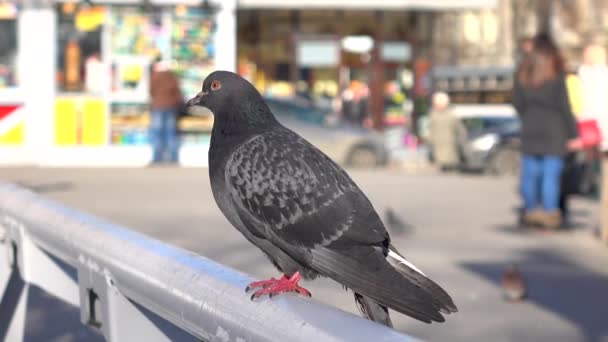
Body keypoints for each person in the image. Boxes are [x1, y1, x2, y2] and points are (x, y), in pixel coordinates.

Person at [512, 34, 580, 229]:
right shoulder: (555, 74)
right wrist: (573, 134)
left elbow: (517, 103)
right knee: (551, 175)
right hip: (554, 130)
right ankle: (550, 212)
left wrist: (528, 116)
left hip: (530, 128)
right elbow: (565, 106)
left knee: (530, 173)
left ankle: (531, 209)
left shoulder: (522, 74)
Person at [577, 43, 608, 242]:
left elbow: (583, 110)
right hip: (602, 134)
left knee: (604, 183)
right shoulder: (603, 75)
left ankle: (605, 228)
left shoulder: (582, 77)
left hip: (595, 135)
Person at [149, 59, 183, 164]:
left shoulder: (154, 77)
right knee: (171, 133)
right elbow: (178, 92)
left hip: (158, 107)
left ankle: (157, 158)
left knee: (157, 133)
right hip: (171, 107)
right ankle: (173, 158)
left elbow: (151, 91)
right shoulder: (172, 77)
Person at [428, 92, 465, 172]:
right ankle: (445, 168)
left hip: (449, 142)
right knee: (442, 162)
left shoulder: (451, 114)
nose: (437, 105)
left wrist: (461, 137)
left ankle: (450, 168)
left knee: (450, 161)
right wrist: (430, 139)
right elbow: (431, 129)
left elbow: (459, 128)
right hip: (438, 143)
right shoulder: (433, 114)